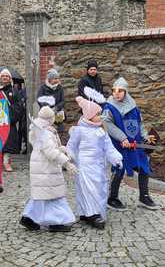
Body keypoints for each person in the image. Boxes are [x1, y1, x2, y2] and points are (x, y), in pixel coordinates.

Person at [67, 96, 122, 230]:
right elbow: (71, 146)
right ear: (89, 116)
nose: (100, 116)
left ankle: (90, 212)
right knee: (87, 189)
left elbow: (108, 147)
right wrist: (69, 159)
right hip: (84, 166)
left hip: (98, 166)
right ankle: (92, 214)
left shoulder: (101, 130)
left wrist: (116, 157)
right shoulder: (79, 130)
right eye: (98, 114)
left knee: (100, 189)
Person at [103, 77, 158, 211]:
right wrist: (122, 138)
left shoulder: (133, 107)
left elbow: (139, 124)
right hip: (119, 144)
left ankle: (144, 196)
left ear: (126, 92)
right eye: (114, 91)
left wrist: (145, 137)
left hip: (135, 143)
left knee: (144, 166)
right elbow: (107, 124)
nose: (117, 93)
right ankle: (112, 198)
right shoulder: (109, 107)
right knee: (119, 168)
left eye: (120, 91)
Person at [20, 106, 78, 232]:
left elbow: (48, 148)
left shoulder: (40, 130)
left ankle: (29, 218)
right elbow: (50, 152)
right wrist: (67, 163)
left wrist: (62, 150)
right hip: (46, 168)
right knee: (52, 195)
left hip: (42, 167)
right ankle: (56, 222)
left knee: (42, 195)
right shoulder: (45, 133)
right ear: (50, 118)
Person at [0, 69, 22, 171]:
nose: (5, 78)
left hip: (9, 119)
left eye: (7, 76)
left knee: (8, 142)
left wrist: (10, 112)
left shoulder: (14, 90)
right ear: (0, 78)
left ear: (10, 78)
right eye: (3, 76)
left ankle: (6, 162)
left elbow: (19, 105)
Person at [37, 68, 66, 134]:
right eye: (55, 79)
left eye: (57, 78)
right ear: (50, 79)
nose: (57, 80)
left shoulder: (60, 88)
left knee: (60, 132)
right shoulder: (43, 88)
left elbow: (63, 100)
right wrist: (48, 109)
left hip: (58, 113)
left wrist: (56, 108)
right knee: (46, 132)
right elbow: (39, 99)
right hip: (46, 114)